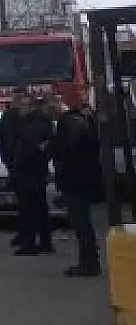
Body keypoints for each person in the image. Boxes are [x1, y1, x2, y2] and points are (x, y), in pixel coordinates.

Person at [48, 97, 106, 277]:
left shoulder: (70, 124)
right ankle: (89, 262)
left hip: (76, 181)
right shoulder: (78, 121)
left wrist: (52, 146)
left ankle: (88, 264)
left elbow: (66, 151)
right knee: (82, 224)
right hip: (81, 180)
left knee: (81, 224)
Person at [11, 97, 56, 256]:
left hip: (29, 172)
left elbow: (29, 148)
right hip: (37, 171)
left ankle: (29, 244)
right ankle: (45, 242)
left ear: (30, 107)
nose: (20, 109)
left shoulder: (32, 125)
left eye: (23, 105)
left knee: (29, 210)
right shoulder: (41, 122)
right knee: (40, 208)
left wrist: (21, 162)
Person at [0, 90, 28, 246]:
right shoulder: (7, 116)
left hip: (27, 166)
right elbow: (1, 140)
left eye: (20, 98)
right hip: (13, 165)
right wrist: (7, 161)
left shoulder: (28, 118)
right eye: (16, 98)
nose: (18, 102)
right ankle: (23, 233)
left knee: (29, 204)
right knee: (21, 203)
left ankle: (31, 236)